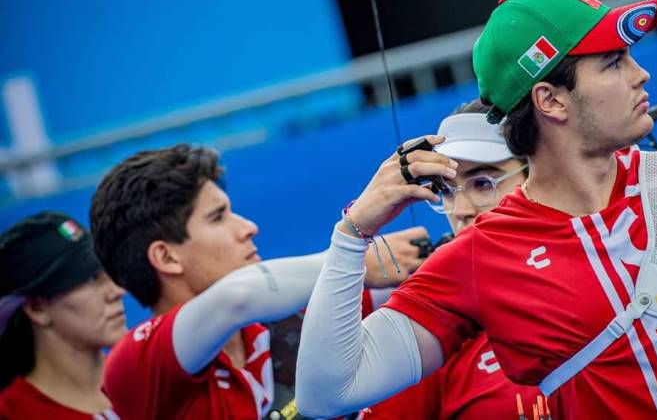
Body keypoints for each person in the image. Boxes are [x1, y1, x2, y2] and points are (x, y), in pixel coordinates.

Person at [295, 0, 657, 419]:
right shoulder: (480, 257)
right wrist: (353, 232)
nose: (639, 74)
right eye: (613, 62)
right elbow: (328, 392)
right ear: (551, 100)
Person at [89, 144, 423, 419]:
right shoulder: (135, 366)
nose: (248, 227)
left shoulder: (299, 317)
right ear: (167, 257)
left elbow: (416, 295)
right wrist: (352, 254)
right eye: (218, 217)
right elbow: (239, 297)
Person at [364, 100, 546, 419]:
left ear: (541, 172)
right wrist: (351, 238)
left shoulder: (612, 256)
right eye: (447, 191)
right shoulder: (431, 322)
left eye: (482, 184)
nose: (460, 210)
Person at [0, 212, 126, 419]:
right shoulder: (14, 413)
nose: (118, 291)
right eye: (91, 278)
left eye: (107, 272)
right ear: (37, 308)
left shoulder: (149, 375)